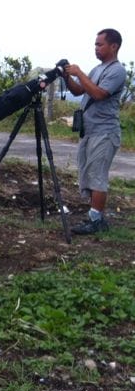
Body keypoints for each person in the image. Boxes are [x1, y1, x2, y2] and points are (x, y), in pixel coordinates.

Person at [64, 28, 126, 235]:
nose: (96, 48)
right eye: (95, 44)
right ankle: (94, 216)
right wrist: (66, 76)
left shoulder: (117, 71)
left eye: (100, 45)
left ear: (113, 46)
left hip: (105, 132)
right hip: (90, 131)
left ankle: (96, 220)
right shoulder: (97, 69)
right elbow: (78, 90)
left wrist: (79, 73)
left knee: (97, 175)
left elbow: (99, 94)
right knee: (88, 173)